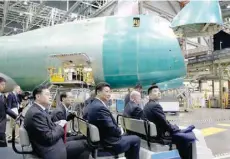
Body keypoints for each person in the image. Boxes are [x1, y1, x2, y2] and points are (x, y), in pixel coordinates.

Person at [24, 85, 90, 159]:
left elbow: (46, 128)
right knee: (85, 143)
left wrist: (56, 124)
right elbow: (49, 138)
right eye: (47, 94)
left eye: (50, 94)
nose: (50, 97)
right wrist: (60, 125)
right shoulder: (36, 114)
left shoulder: (39, 110)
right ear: (38, 96)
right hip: (50, 149)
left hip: (52, 143)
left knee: (81, 139)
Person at [87, 82, 140, 159]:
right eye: (106, 91)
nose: (109, 94)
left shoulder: (94, 104)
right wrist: (119, 131)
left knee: (128, 136)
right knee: (136, 139)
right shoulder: (99, 107)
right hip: (109, 142)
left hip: (103, 138)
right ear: (98, 92)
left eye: (110, 92)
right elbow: (110, 128)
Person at [143, 85, 196, 159]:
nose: (158, 93)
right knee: (186, 139)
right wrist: (175, 129)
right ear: (149, 95)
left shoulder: (147, 106)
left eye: (159, 91)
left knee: (180, 131)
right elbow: (165, 124)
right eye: (155, 91)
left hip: (151, 136)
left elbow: (162, 122)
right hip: (159, 137)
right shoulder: (155, 106)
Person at [0, 77, 18, 147]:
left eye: (4, 85)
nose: (4, 86)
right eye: (2, 84)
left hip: (2, 129)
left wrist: (17, 117)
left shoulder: (1, 96)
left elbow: (6, 108)